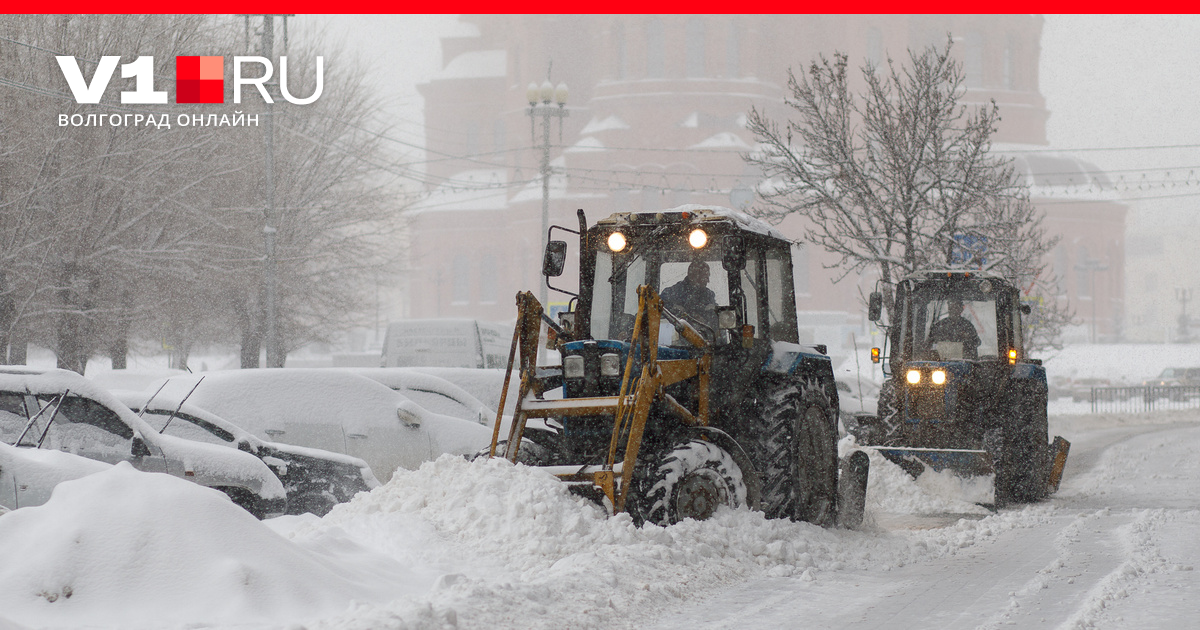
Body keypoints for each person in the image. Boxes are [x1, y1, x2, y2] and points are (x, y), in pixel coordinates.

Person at [660, 261, 717, 331]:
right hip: (680, 336)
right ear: (693, 276)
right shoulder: (674, 292)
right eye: (705, 277)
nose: (708, 281)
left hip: (704, 337)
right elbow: (658, 306)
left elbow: (718, 317)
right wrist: (677, 311)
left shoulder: (709, 295)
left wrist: (713, 311)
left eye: (708, 276)